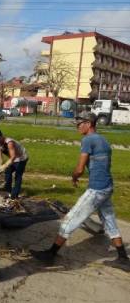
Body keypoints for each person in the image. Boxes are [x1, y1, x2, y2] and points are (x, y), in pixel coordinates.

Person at [30, 112, 130, 271]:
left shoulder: (88, 140)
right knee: (109, 220)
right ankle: (123, 258)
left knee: (70, 220)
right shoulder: (103, 140)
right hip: (107, 187)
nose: (77, 127)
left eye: (79, 123)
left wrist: (74, 176)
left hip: (97, 189)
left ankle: (50, 254)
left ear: (89, 124)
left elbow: (80, 168)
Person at [0, 130, 28, 200]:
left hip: (21, 158)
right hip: (13, 158)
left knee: (18, 175)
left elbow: (13, 156)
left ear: (1, 136)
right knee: (7, 172)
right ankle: (7, 189)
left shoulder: (9, 143)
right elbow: (0, 158)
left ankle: (15, 194)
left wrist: (5, 165)